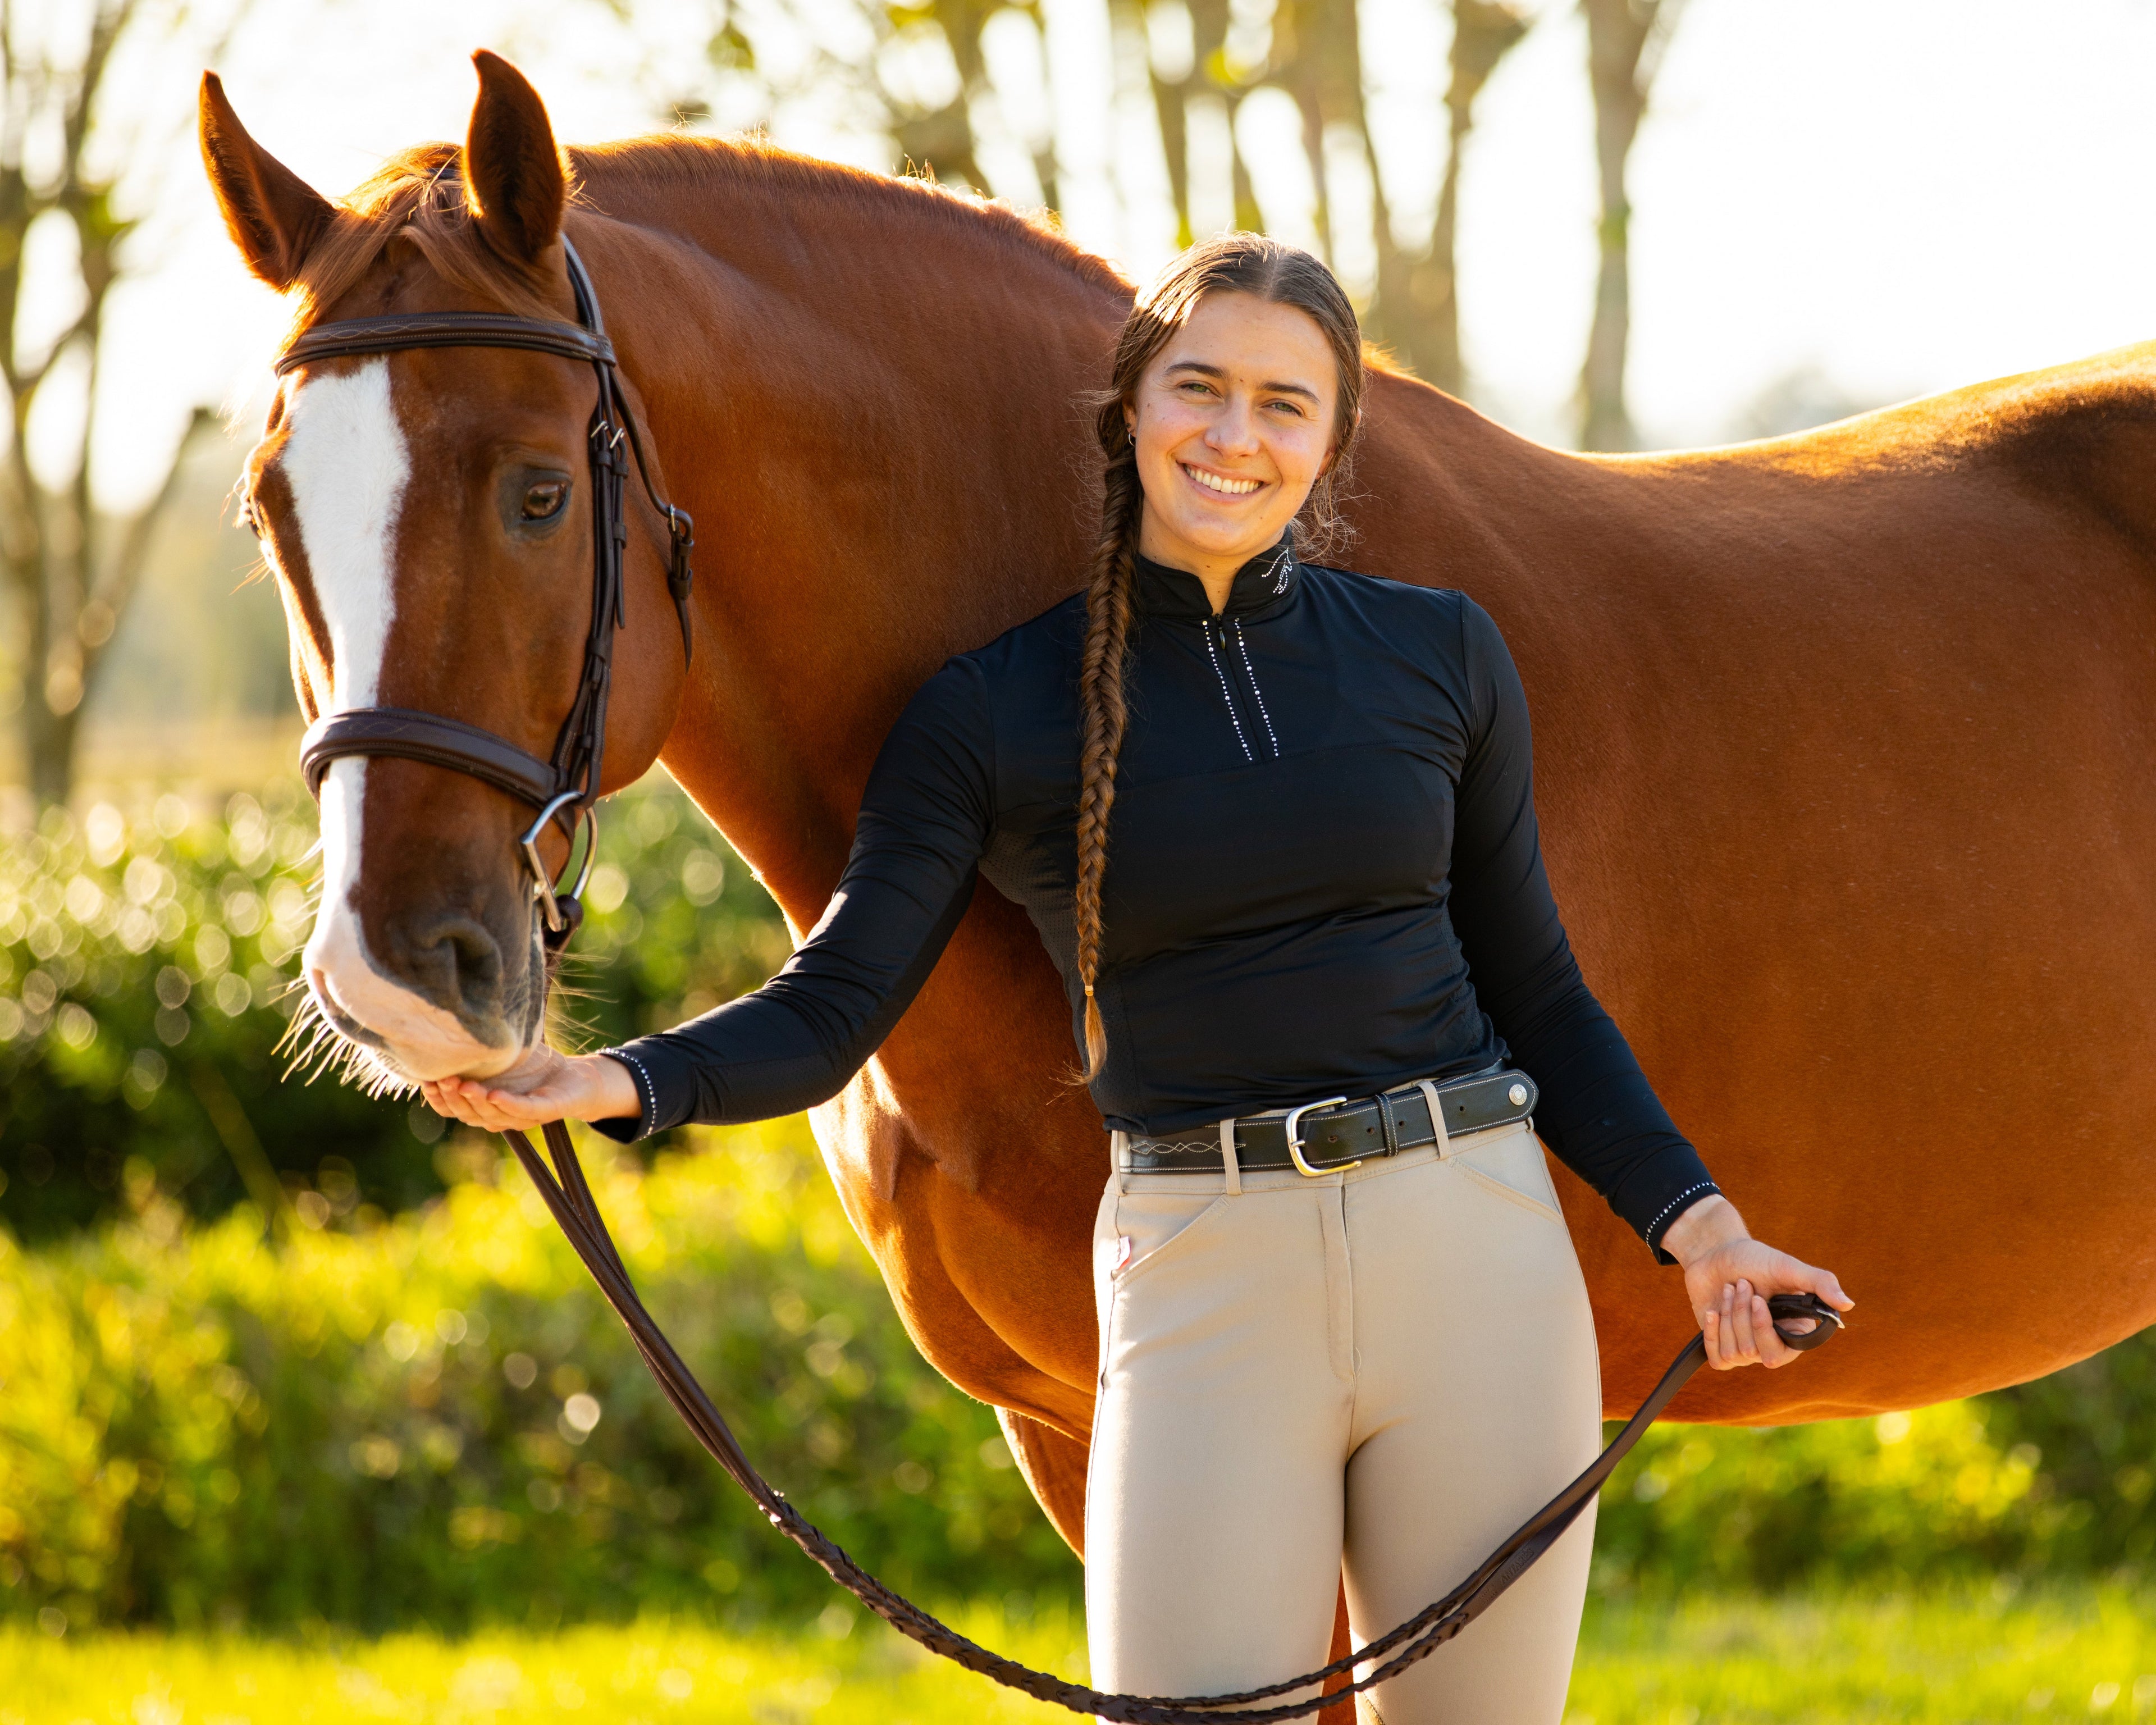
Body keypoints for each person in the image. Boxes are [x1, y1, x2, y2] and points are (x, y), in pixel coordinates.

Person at [424, 234, 1852, 1724]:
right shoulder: (995, 710)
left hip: (1476, 1262)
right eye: (1200, 389)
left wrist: (1703, 1230)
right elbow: (839, 1001)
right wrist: (610, 1082)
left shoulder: (1441, 656)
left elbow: (1539, 993)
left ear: (1333, 440)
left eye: (1284, 404)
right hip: (1203, 1273)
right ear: (1128, 407)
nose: (1235, 436)